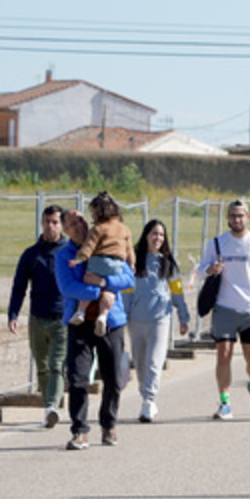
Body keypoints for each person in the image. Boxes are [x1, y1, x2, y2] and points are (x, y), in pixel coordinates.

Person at [55, 209, 135, 450]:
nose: (79, 225)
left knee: (112, 377)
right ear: (66, 230)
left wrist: (103, 283)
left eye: (81, 219)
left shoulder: (105, 242)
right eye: (72, 223)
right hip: (79, 323)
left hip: (111, 322)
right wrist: (97, 293)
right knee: (78, 378)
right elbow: (67, 287)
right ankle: (79, 430)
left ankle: (109, 425)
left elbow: (129, 278)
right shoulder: (63, 255)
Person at [197, 200, 250, 420]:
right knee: (223, 355)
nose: (236, 220)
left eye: (240, 216)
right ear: (227, 218)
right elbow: (200, 269)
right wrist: (209, 269)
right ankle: (224, 403)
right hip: (224, 306)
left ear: (248, 217)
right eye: (232, 216)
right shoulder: (217, 243)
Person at [8, 205, 68, 428]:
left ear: (61, 225)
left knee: (56, 364)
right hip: (37, 318)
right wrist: (13, 313)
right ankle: (48, 405)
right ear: (42, 223)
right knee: (42, 366)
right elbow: (19, 287)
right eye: (47, 221)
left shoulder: (69, 252)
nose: (50, 226)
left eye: (55, 222)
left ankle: (52, 406)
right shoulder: (31, 254)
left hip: (62, 318)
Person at [125, 219, 190, 423]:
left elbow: (177, 290)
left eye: (161, 235)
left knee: (154, 362)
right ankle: (146, 398)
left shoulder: (169, 263)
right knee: (141, 364)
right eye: (154, 234)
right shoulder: (134, 261)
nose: (157, 238)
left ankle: (149, 401)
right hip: (136, 320)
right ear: (146, 236)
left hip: (160, 319)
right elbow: (127, 289)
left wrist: (183, 315)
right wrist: (124, 314)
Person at [67, 191, 134, 338]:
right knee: (111, 290)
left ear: (100, 212)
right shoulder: (124, 229)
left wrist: (79, 260)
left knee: (88, 281)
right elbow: (129, 250)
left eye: (93, 213)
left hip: (99, 261)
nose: (92, 217)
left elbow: (88, 246)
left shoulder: (98, 228)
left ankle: (81, 311)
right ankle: (103, 316)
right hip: (117, 264)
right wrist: (131, 264)